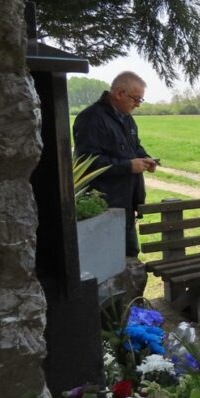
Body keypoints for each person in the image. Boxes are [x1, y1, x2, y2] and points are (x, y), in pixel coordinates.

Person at [73, 71, 158, 258]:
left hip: (127, 204)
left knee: (129, 256)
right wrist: (128, 166)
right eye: (136, 99)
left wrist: (145, 158)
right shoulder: (91, 118)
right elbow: (87, 162)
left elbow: (135, 148)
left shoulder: (126, 118)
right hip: (105, 206)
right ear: (120, 93)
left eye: (140, 100)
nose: (138, 105)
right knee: (108, 260)